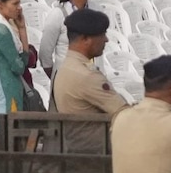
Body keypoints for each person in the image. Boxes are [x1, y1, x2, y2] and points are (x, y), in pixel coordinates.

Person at [52, 8, 126, 139]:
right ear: (85, 39)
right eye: (102, 34)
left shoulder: (66, 67)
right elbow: (123, 112)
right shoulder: (86, 75)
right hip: (97, 150)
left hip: (78, 145)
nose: (106, 40)